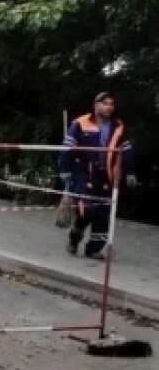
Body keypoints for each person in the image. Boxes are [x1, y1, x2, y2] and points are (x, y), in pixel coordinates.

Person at [59, 92, 137, 258]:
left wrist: (130, 171)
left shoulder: (118, 126)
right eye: (105, 103)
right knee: (86, 210)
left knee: (104, 211)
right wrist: (64, 169)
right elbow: (67, 147)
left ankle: (94, 249)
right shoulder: (80, 123)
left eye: (111, 104)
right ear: (96, 105)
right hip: (83, 173)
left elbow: (126, 149)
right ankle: (75, 237)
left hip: (105, 175)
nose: (109, 107)